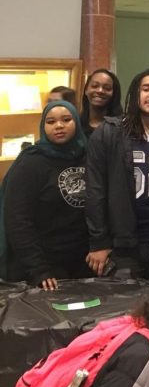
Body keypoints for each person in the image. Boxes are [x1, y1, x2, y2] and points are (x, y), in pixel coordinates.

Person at [85, 67, 149, 280]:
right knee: (123, 309)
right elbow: (95, 190)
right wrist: (99, 242)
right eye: (146, 88)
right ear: (135, 93)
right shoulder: (110, 133)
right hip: (122, 244)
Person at [4, 100, 89, 289]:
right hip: (46, 266)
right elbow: (18, 219)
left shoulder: (89, 155)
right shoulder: (30, 163)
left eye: (66, 120)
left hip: (85, 263)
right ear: (43, 126)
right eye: (50, 122)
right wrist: (38, 268)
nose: (59, 126)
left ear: (76, 121)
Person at [80, 68, 123, 137]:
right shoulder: (76, 125)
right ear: (86, 90)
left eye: (107, 88)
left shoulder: (122, 127)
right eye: (94, 86)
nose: (100, 91)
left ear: (114, 94)